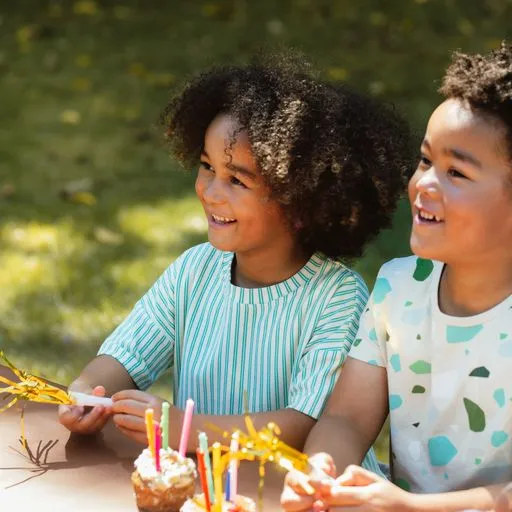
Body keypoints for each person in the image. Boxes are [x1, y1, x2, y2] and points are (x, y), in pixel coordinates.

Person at [58, 54, 413, 459]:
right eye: (207, 166)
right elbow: (126, 355)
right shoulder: (194, 270)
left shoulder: (337, 296)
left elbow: (305, 426)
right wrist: (88, 392)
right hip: (208, 488)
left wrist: (185, 430)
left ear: (301, 202)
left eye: (237, 180)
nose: (210, 191)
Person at [281, 42, 512, 511]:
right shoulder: (398, 287)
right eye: (426, 161)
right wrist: (321, 472)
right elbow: (346, 417)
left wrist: (409, 507)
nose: (424, 184)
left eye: (457, 173)